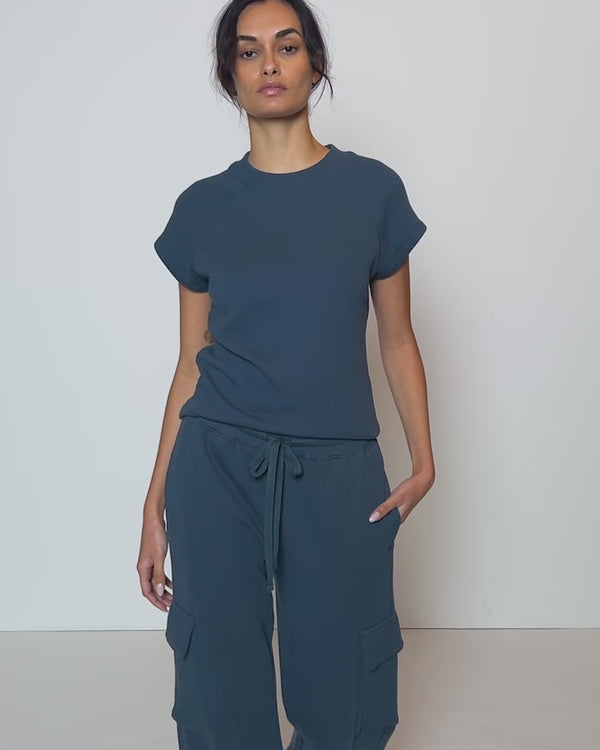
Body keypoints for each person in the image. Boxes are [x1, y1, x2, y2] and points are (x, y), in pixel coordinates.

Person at [136, 1, 435, 748]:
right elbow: (190, 363)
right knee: (218, 677)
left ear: (315, 63)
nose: (268, 63)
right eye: (248, 51)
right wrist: (154, 501)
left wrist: (424, 460)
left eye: (287, 45)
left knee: (347, 681)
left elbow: (398, 339)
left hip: (337, 466)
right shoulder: (202, 207)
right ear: (229, 75)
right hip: (216, 462)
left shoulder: (373, 192)